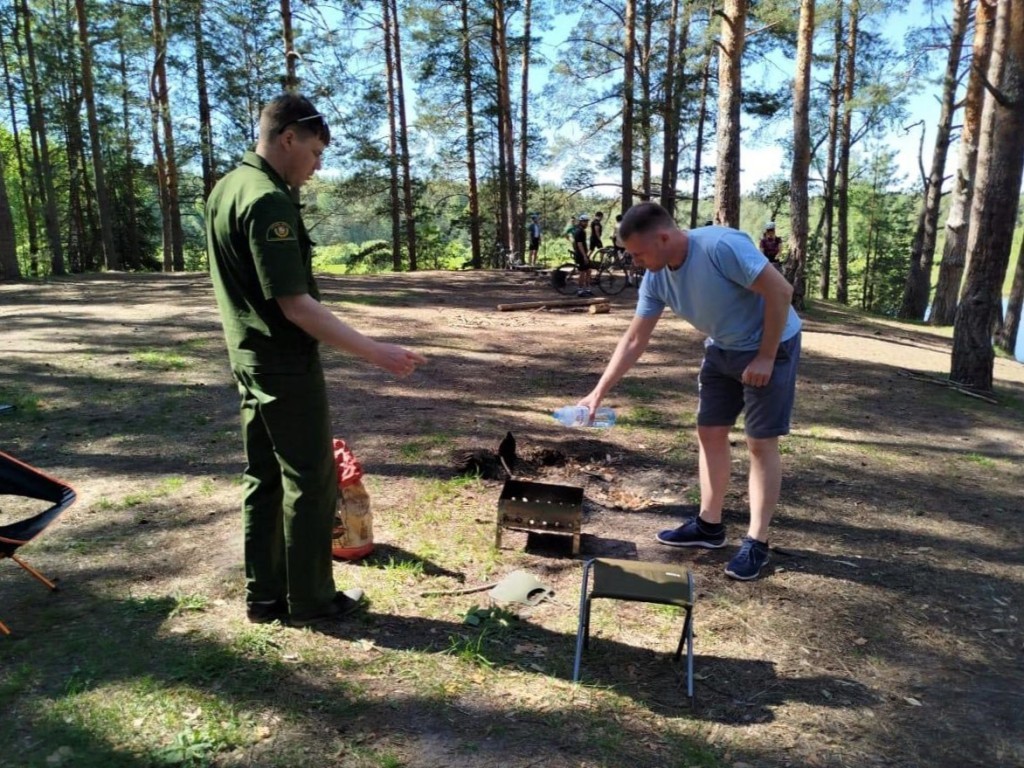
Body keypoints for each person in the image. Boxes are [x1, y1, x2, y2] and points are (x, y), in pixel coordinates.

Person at [206, 93, 427, 626]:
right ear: (287, 139)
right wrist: (378, 352)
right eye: (314, 151)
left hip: (250, 357)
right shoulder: (267, 199)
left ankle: (265, 595)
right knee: (311, 478)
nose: (317, 164)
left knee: (264, 475)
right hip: (282, 362)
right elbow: (296, 305)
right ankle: (310, 598)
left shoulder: (226, 188)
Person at [577, 203, 802, 581]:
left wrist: (765, 356)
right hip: (722, 347)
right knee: (709, 432)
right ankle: (709, 526)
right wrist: (598, 392)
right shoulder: (657, 277)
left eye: (637, 253)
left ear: (664, 238)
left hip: (770, 344)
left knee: (760, 442)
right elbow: (634, 339)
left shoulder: (719, 247)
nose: (633, 261)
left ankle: (756, 543)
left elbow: (781, 291)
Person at [572, 213, 594, 296]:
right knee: (582, 272)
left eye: (587, 222)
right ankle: (580, 290)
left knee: (588, 271)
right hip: (581, 254)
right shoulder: (579, 231)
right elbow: (579, 244)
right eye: (584, 221)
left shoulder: (582, 230)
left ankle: (588, 289)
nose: (586, 223)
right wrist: (584, 256)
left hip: (584, 253)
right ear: (580, 222)